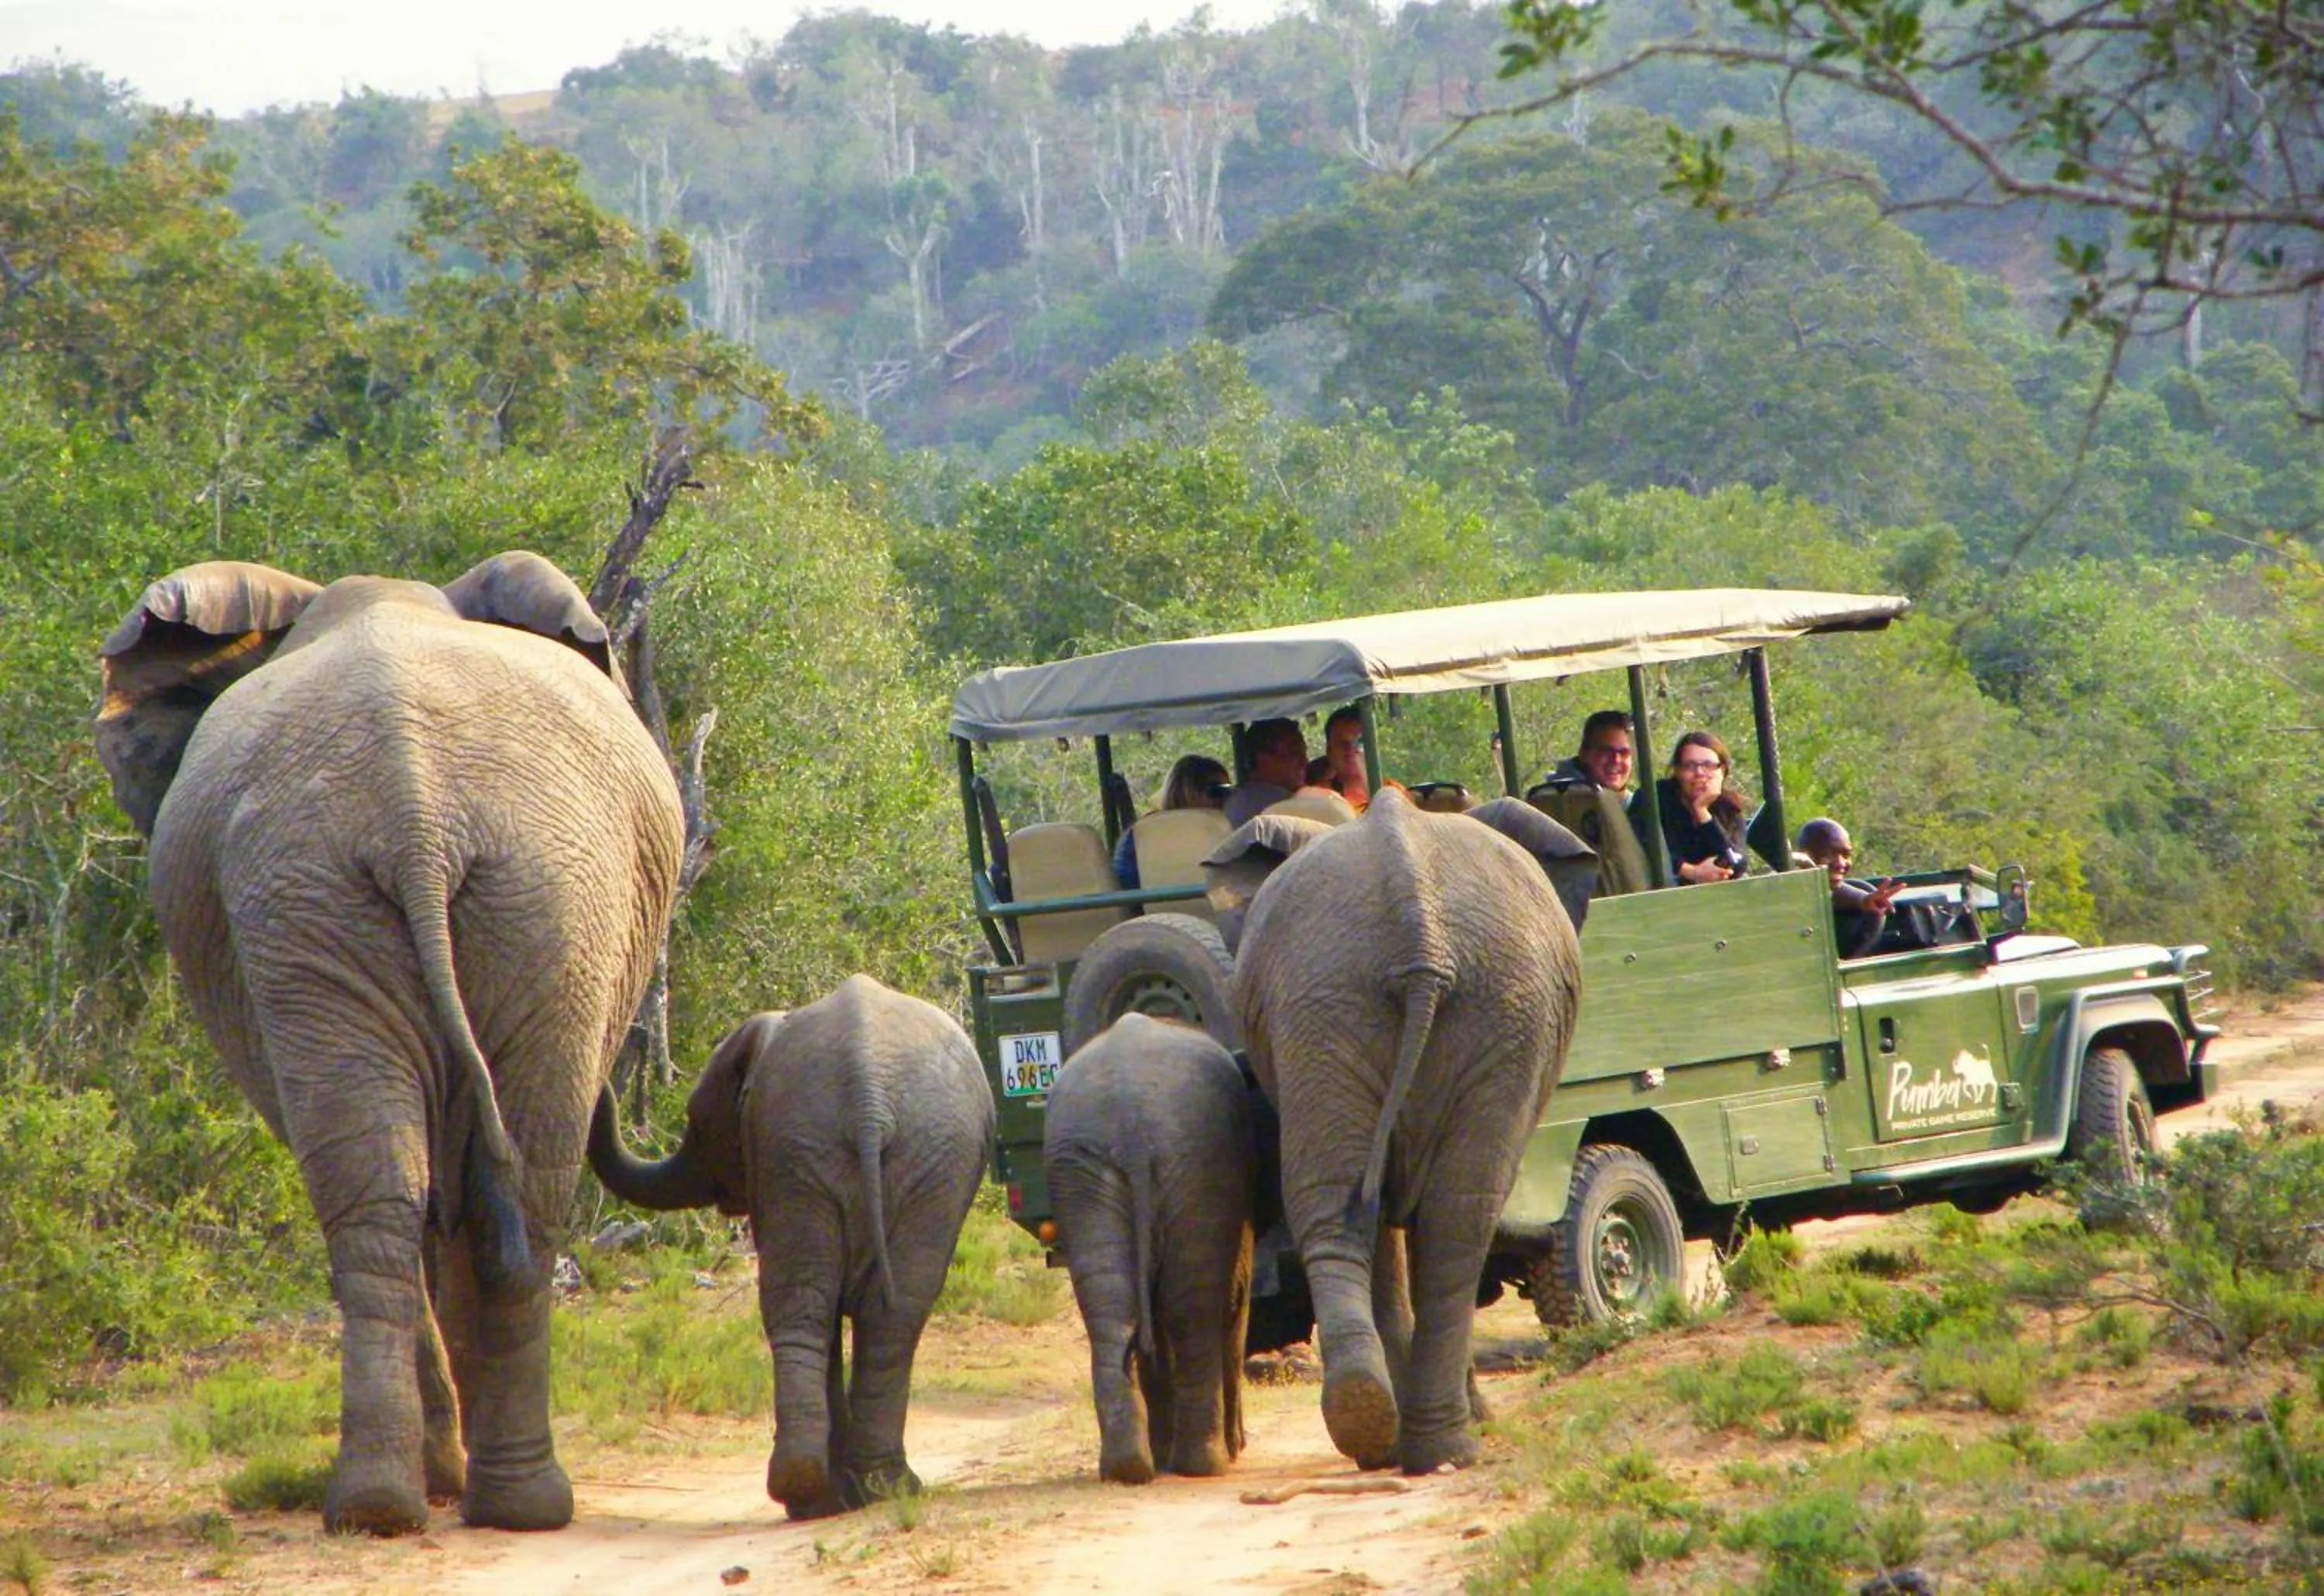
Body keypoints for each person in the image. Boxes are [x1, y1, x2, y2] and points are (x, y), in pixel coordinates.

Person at [1636, 731, 1750, 886]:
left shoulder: (1728, 807)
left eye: (1708, 766)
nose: (1699, 773)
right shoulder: (1654, 798)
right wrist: (1693, 872)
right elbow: (1643, 849)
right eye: (1689, 766)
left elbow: (1737, 863)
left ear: (1722, 771)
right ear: (1677, 771)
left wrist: (1702, 812)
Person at [1113, 754, 1230, 889]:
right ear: (1188, 792)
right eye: (1218, 791)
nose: (1226, 799)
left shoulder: (1137, 834)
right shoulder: (1138, 837)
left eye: (1228, 791)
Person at [1796, 817, 1904, 958]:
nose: (1841, 863)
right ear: (1804, 855)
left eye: (1846, 855)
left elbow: (1837, 891)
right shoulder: (1782, 889)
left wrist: (1865, 900)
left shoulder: (1833, 891)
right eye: (1829, 854)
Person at [1223, 718, 1310, 827]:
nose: (1304, 761)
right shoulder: (1276, 803)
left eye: (1304, 752)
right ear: (1263, 759)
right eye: (1294, 753)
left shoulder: (1238, 800)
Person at [1538, 709, 1636, 796]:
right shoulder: (1555, 799)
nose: (1616, 759)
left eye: (1624, 753)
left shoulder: (1640, 807)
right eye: (1606, 751)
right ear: (1584, 753)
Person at [1320, 704, 1371, 809]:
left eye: (1359, 741)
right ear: (1329, 751)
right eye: (1341, 743)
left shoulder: (1392, 792)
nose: (1350, 748)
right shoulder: (1320, 801)